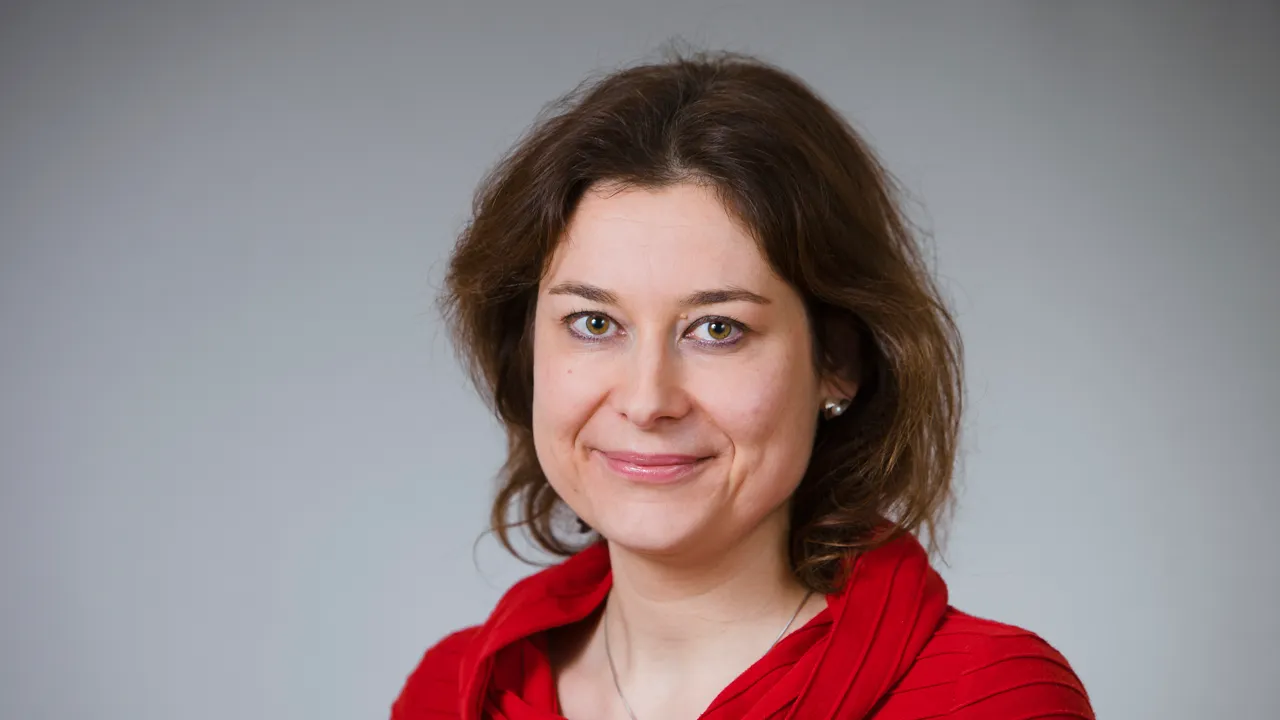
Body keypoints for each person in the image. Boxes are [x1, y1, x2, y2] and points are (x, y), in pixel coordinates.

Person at [392, 50, 1094, 720]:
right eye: (594, 323)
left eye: (717, 329)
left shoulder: (993, 700)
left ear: (838, 359)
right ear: (527, 351)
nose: (646, 401)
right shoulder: (449, 695)